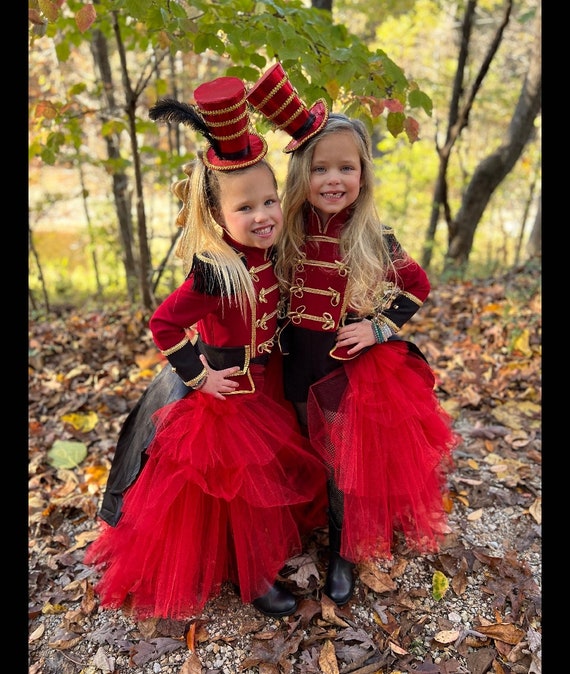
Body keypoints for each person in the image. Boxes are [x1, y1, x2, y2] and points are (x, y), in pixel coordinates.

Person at [84, 75, 328, 621]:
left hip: (265, 384)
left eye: (269, 201)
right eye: (246, 208)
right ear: (218, 217)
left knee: (269, 470)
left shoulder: (270, 253)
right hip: (224, 396)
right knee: (235, 485)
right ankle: (252, 576)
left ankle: (263, 551)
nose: (263, 215)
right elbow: (164, 324)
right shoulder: (215, 273)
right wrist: (200, 376)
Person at [247, 63, 459, 606]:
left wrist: (379, 327)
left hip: (345, 370)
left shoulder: (372, 236)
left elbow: (417, 285)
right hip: (293, 361)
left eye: (347, 167)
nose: (333, 180)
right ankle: (304, 523)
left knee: (344, 460)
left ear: (363, 174)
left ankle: (343, 547)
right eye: (321, 169)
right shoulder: (282, 232)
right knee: (301, 444)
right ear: (301, 176)